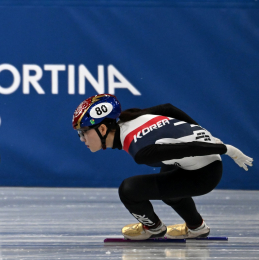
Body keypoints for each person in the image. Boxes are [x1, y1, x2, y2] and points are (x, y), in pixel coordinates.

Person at [72, 94, 253, 240]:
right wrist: (204, 134)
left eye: (83, 133)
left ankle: (153, 228)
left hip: (204, 175)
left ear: (103, 129)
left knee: (128, 190)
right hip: (198, 161)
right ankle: (197, 227)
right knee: (169, 181)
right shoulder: (134, 117)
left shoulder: (141, 150)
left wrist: (226, 149)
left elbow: (187, 148)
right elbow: (168, 108)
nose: (82, 139)